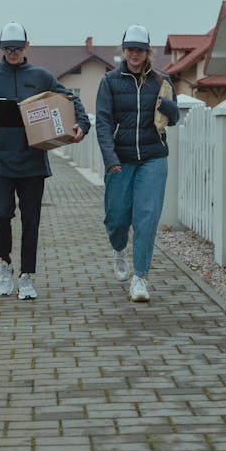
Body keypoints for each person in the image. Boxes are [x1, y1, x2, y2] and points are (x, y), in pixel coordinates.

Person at [0, 21, 90, 300]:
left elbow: (70, 98)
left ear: (27, 46)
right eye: (7, 48)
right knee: (1, 215)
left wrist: (82, 124)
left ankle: (26, 276)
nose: (13, 52)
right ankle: (5, 264)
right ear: (1, 48)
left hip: (33, 158)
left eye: (17, 47)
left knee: (31, 219)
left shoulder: (42, 76)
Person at [95, 24, 179, 302]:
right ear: (124, 50)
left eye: (140, 49)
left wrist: (164, 105)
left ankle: (140, 278)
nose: (135, 53)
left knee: (146, 217)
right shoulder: (110, 81)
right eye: (130, 49)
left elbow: (175, 117)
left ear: (147, 52)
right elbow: (104, 123)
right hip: (120, 160)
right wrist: (110, 158)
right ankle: (119, 250)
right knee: (117, 217)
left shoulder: (161, 80)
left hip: (153, 159)